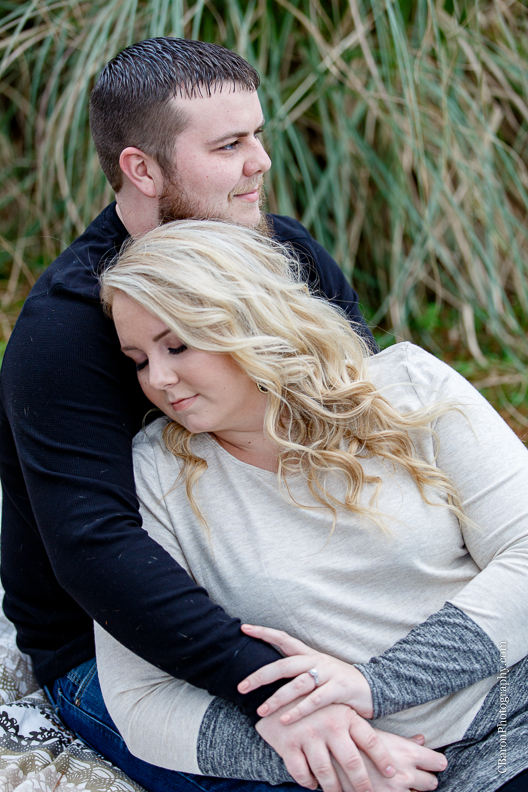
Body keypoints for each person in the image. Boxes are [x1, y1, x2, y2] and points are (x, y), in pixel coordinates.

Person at [0, 34, 408, 792]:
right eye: (229, 145)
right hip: (124, 654)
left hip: (314, 593)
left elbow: (369, 423)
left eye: (258, 135)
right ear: (142, 169)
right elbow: (96, 550)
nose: (262, 162)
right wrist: (289, 693)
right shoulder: (64, 334)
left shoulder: (285, 255)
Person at [95, 219, 528, 792]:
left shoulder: (408, 388)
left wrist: (374, 685)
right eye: (138, 359)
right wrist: (332, 758)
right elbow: (140, 699)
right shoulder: (155, 477)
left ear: (250, 320)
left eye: (177, 345)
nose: (159, 378)